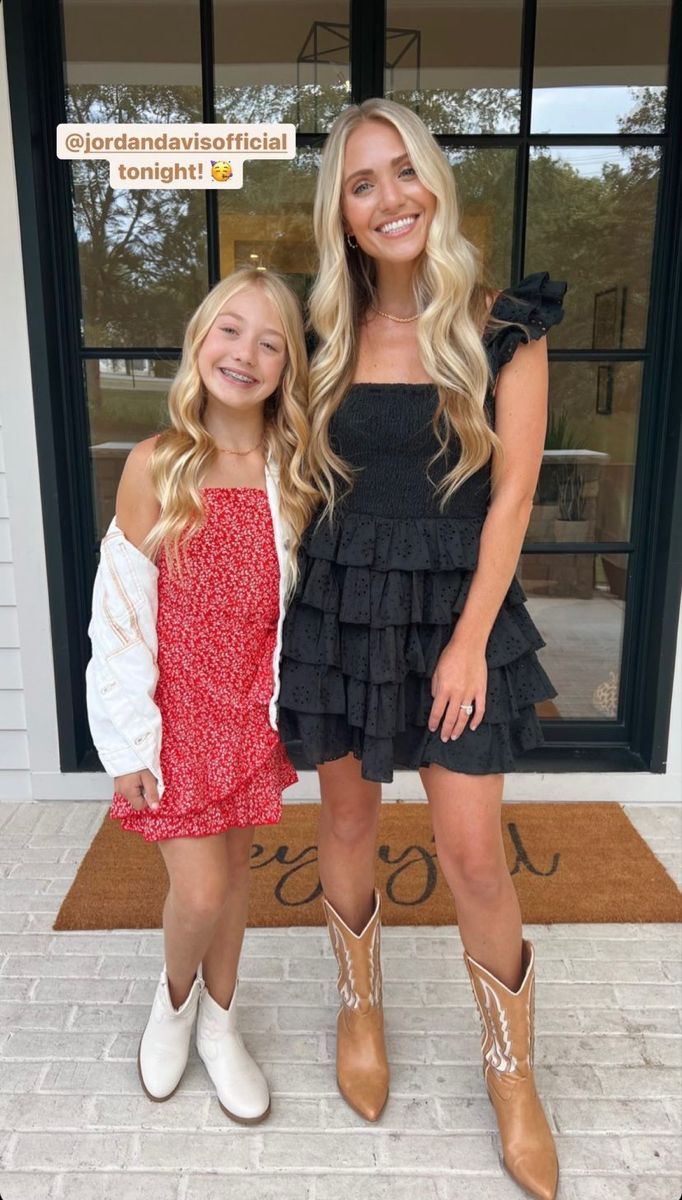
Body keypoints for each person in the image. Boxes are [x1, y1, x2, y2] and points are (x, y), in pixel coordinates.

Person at [278, 98, 566, 1200]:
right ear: (341, 215)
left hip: (462, 609)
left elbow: (513, 500)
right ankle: (360, 1005)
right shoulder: (321, 332)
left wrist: (467, 643)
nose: (389, 196)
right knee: (347, 818)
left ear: (433, 183)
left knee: (473, 854)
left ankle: (511, 1072)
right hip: (343, 600)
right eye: (362, 183)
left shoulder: (504, 325)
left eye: (403, 172)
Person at [86, 267, 315, 1123]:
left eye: (270, 341)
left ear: (288, 365)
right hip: (175, 717)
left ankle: (221, 1023)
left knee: (238, 872)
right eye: (231, 330)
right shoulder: (158, 465)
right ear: (199, 341)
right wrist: (127, 743)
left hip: (251, 714)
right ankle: (173, 1001)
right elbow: (119, 614)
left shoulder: (291, 470)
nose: (245, 353)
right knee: (202, 890)